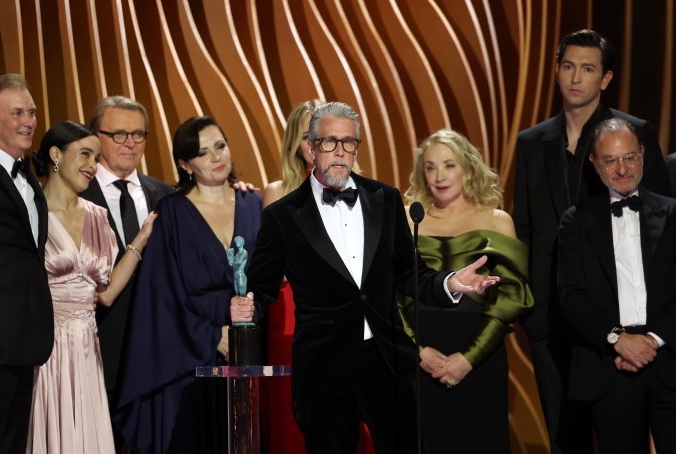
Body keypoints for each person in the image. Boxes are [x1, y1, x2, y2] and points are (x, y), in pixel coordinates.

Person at [231, 102, 499, 453]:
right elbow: (262, 287)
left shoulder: (384, 198)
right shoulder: (284, 215)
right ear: (311, 147)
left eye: (348, 143)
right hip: (324, 365)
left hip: (386, 358)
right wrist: (246, 308)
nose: (340, 152)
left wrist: (449, 283)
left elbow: (409, 273)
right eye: (329, 142)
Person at [513, 29, 671, 453]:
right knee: (564, 432)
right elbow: (524, 229)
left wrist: (640, 333)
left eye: (587, 68)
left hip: (620, 318)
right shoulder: (530, 142)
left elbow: (660, 225)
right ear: (556, 72)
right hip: (551, 312)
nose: (575, 78)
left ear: (605, 78)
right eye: (568, 67)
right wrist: (530, 307)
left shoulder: (632, 135)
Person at [114, 116, 263, 453]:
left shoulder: (253, 203)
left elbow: (269, 279)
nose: (216, 158)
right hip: (190, 357)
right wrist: (213, 335)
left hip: (250, 351)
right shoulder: (172, 211)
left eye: (220, 146)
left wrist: (243, 331)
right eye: (202, 152)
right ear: (184, 164)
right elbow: (161, 295)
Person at [25, 121, 157, 453]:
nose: (92, 166)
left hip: (87, 350)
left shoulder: (98, 216)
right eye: (85, 154)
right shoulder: (30, 212)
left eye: (96, 158)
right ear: (56, 155)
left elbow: (108, 292)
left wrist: (140, 239)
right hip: (44, 352)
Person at [400, 129, 533, 453]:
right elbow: (389, 293)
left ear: (468, 168)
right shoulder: (406, 218)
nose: (439, 176)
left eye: (449, 165)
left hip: (479, 359)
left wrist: (468, 359)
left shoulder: (498, 220)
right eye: (430, 167)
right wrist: (418, 352)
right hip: (417, 358)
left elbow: (512, 298)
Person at [558, 118, 676, 454]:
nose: (622, 169)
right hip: (609, 367)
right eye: (610, 160)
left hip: (668, 360)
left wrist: (652, 340)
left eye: (629, 157)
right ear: (594, 163)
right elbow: (571, 296)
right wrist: (618, 339)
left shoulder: (672, 213)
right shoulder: (575, 220)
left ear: (642, 155)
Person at [79, 96, 173, 451]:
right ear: (95, 136)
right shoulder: (76, 194)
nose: (130, 143)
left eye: (138, 134)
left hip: (157, 354)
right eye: (118, 134)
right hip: (99, 353)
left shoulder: (166, 196)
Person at [0, 74, 53, 454]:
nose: (29, 121)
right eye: (17, 113)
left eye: (31, 112)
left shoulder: (28, 177)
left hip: (25, 338)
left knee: (14, 441)